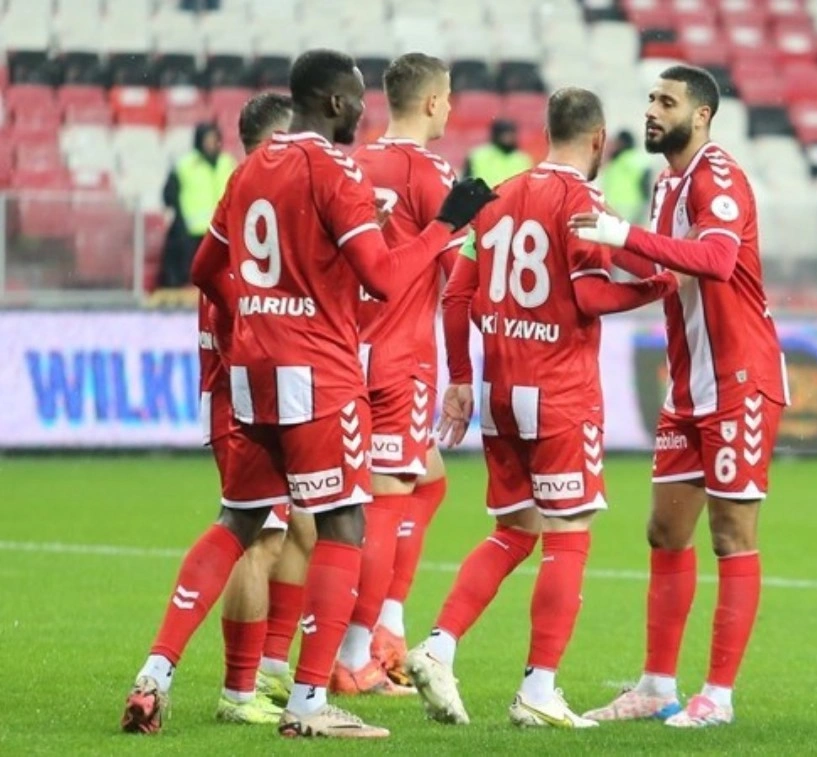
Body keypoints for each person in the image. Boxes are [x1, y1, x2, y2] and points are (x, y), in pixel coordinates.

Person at [121, 48, 495, 739]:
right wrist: (445, 225)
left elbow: (205, 267)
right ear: (333, 102)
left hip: (251, 371)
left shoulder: (249, 169)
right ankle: (308, 702)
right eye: (357, 100)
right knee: (344, 524)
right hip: (319, 374)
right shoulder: (333, 168)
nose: (363, 112)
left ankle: (154, 674)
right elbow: (384, 278)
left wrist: (260, 316)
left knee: (238, 521)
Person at [404, 87, 680, 729]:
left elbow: (456, 296)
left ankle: (439, 648)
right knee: (569, 534)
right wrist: (658, 285)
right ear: (598, 139)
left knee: (513, 531)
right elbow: (590, 297)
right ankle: (538, 689)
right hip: (558, 393)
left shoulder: (496, 196)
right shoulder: (583, 202)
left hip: (499, 392)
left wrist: (461, 378)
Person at [568, 64, 789, 728]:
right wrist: (606, 240)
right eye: (650, 99)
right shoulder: (668, 184)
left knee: (731, 533)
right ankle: (656, 686)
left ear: (702, 116)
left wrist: (624, 236)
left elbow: (717, 260)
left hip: (739, 382)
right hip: (689, 386)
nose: (652, 110)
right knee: (665, 530)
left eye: (667, 101)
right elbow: (664, 264)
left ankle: (717, 696)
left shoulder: (719, 176)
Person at [331, 52, 462, 696]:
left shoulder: (353, 163)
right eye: (449, 98)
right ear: (434, 102)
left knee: (428, 485)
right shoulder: (431, 172)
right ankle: (358, 655)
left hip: (345, 351)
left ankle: (387, 623)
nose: (451, 108)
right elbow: (459, 278)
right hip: (400, 360)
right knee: (384, 507)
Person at [200, 92, 300, 727]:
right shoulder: (252, 207)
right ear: (274, 142)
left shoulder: (244, 202)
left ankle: (267, 666)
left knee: (291, 533)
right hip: (242, 397)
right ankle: (239, 690)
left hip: (250, 392)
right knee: (257, 538)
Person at [159, 122, 236, 288]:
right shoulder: (185, 165)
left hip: (222, 231)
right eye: (208, 139)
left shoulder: (227, 163)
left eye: (214, 139)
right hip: (192, 233)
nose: (211, 143)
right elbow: (168, 195)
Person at [600, 129, 652, 225]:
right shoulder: (617, 160)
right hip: (619, 206)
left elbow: (646, 179)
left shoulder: (630, 158)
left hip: (628, 207)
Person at [463, 118, 532, 187]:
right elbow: (466, 184)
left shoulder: (523, 159)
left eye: (510, 134)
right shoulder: (477, 156)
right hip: (485, 194)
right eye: (504, 134)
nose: (507, 138)